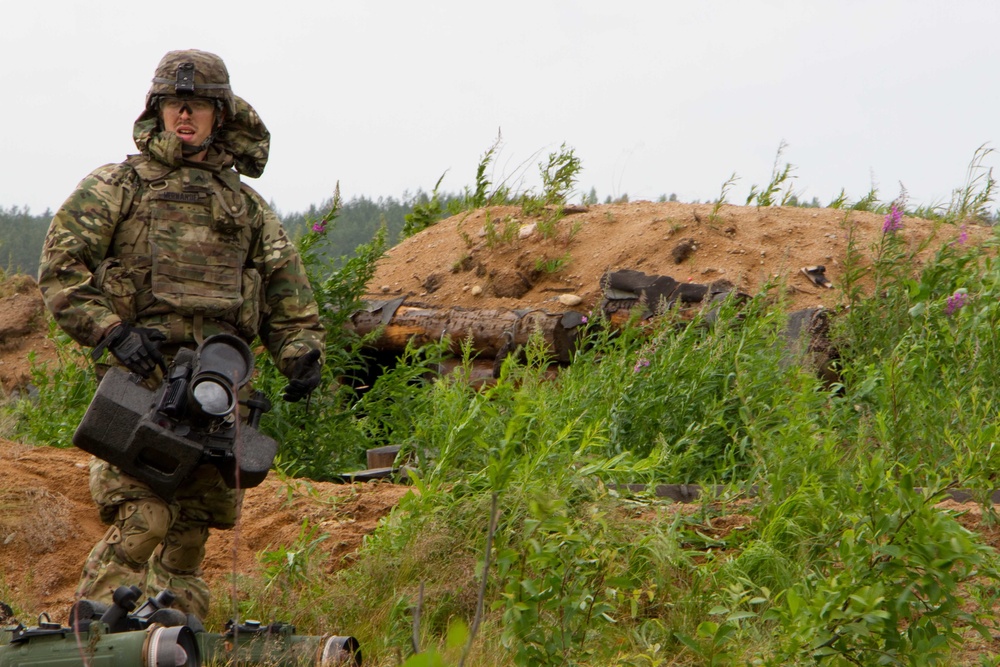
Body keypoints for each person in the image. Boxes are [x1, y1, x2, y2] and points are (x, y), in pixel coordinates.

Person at [37, 49, 326, 619]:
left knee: (191, 532)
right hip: (141, 381)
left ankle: (177, 639)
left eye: (196, 106)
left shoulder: (244, 206)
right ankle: (93, 641)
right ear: (158, 110)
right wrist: (113, 332)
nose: (184, 117)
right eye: (175, 105)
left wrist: (300, 354)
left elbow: (286, 291)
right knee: (142, 520)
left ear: (221, 114)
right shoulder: (117, 186)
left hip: (220, 386)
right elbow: (60, 269)